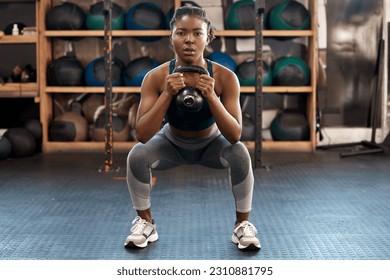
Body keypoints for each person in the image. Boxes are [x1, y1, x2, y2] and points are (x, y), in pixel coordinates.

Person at [124, 6, 260, 251]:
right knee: (137, 155)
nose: (189, 40)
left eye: (197, 33)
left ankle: (242, 226)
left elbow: (234, 134)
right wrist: (167, 93)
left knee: (239, 152)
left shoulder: (226, 77)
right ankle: (146, 223)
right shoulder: (155, 78)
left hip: (212, 144)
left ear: (208, 37)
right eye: (181, 33)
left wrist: (212, 97)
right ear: (171, 37)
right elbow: (143, 135)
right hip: (171, 143)